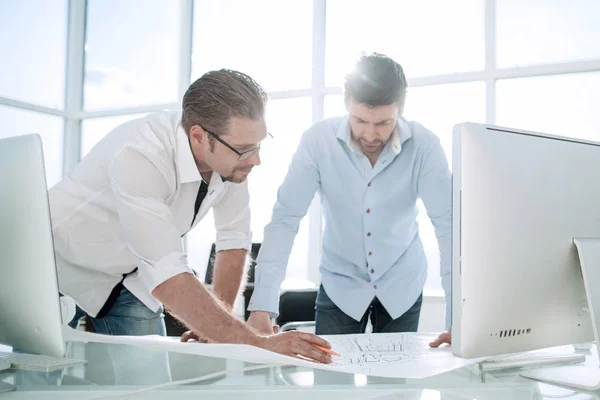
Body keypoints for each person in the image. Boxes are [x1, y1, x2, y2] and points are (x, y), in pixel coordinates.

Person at [49, 69, 332, 363]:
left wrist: (216, 329)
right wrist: (256, 343)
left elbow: (233, 241)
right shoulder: (141, 153)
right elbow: (168, 273)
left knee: (151, 378)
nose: (256, 160)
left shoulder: (232, 162)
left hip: (129, 278)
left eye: (258, 145)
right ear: (198, 136)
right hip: (62, 266)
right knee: (41, 377)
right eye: (246, 150)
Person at [247, 54, 452, 348]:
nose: (370, 134)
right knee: (330, 384)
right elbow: (285, 219)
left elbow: (448, 227)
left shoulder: (425, 145)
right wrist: (261, 307)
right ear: (346, 104)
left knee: (394, 389)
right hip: (339, 284)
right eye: (360, 120)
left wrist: (459, 319)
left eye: (383, 123)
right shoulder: (318, 141)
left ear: (401, 108)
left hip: (402, 284)